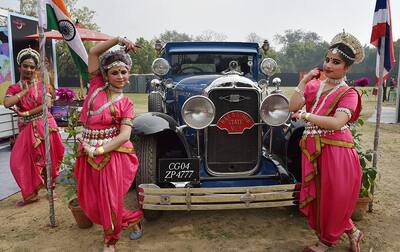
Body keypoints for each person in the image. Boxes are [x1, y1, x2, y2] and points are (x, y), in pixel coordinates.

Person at [289, 31, 365, 252]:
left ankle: (325, 243)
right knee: (322, 198)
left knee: (334, 199)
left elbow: (336, 122)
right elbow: (293, 106)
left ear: (347, 68)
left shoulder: (349, 94)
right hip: (314, 150)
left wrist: (306, 116)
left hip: (338, 152)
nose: (329, 65)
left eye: (336, 62)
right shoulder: (314, 87)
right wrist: (304, 81)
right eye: (328, 60)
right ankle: (354, 232)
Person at [74, 36, 143, 252]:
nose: (120, 76)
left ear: (129, 75)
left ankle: (110, 241)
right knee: (91, 201)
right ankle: (132, 218)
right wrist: (118, 40)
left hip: (110, 156)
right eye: (115, 72)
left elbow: (124, 136)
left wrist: (99, 149)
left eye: (124, 72)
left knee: (109, 200)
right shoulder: (96, 86)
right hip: (86, 152)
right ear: (105, 74)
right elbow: (94, 52)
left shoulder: (127, 104)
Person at [3, 47, 64, 207]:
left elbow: (47, 104)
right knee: (19, 161)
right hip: (26, 128)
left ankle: (51, 189)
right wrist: (24, 91)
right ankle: (31, 193)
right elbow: (7, 103)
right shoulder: (14, 88)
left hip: (45, 123)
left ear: (35, 69)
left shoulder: (42, 85)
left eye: (32, 67)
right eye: (26, 66)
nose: (29, 69)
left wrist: (26, 112)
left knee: (48, 158)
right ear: (19, 67)